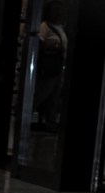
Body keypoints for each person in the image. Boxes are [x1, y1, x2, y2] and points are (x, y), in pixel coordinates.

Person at [33, 0, 67, 133]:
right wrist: (52, 46)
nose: (59, 13)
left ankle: (50, 123)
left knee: (53, 95)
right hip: (48, 67)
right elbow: (37, 44)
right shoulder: (45, 26)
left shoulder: (60, 27)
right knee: (42, 93)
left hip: (56, 67)